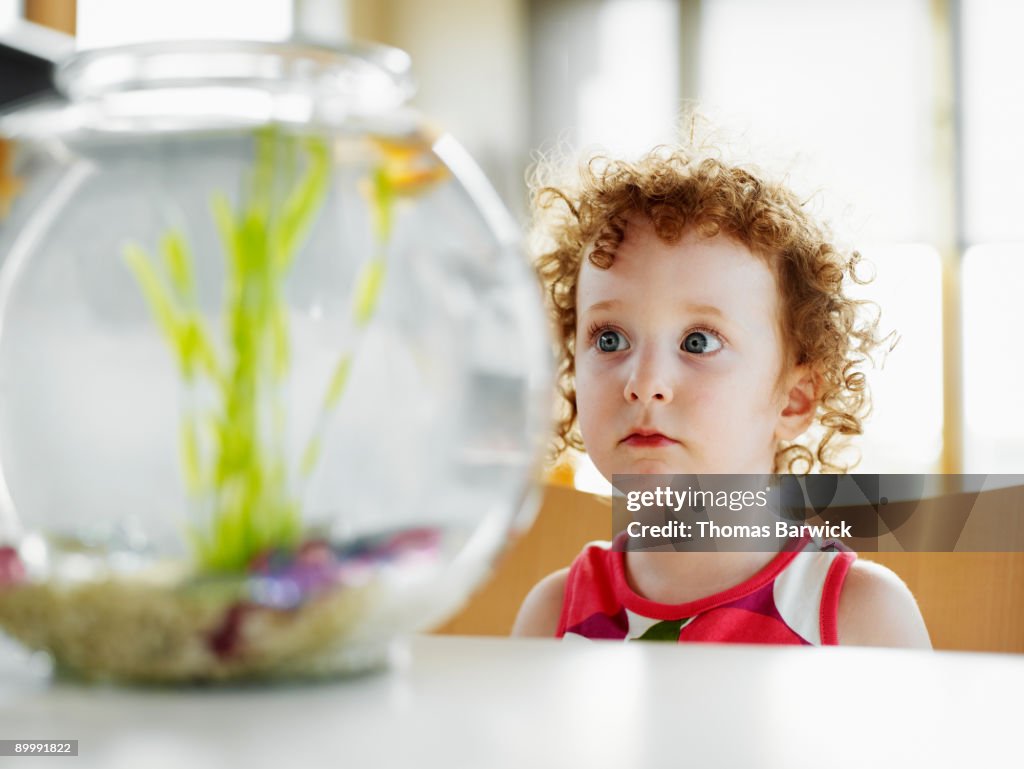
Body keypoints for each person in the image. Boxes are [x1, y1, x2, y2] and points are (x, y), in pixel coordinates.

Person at [512, 138, 931, 648]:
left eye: (698, 341)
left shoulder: (859, 615)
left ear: (794, 399)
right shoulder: (553, 614)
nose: (644, 383)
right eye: (609, 338)